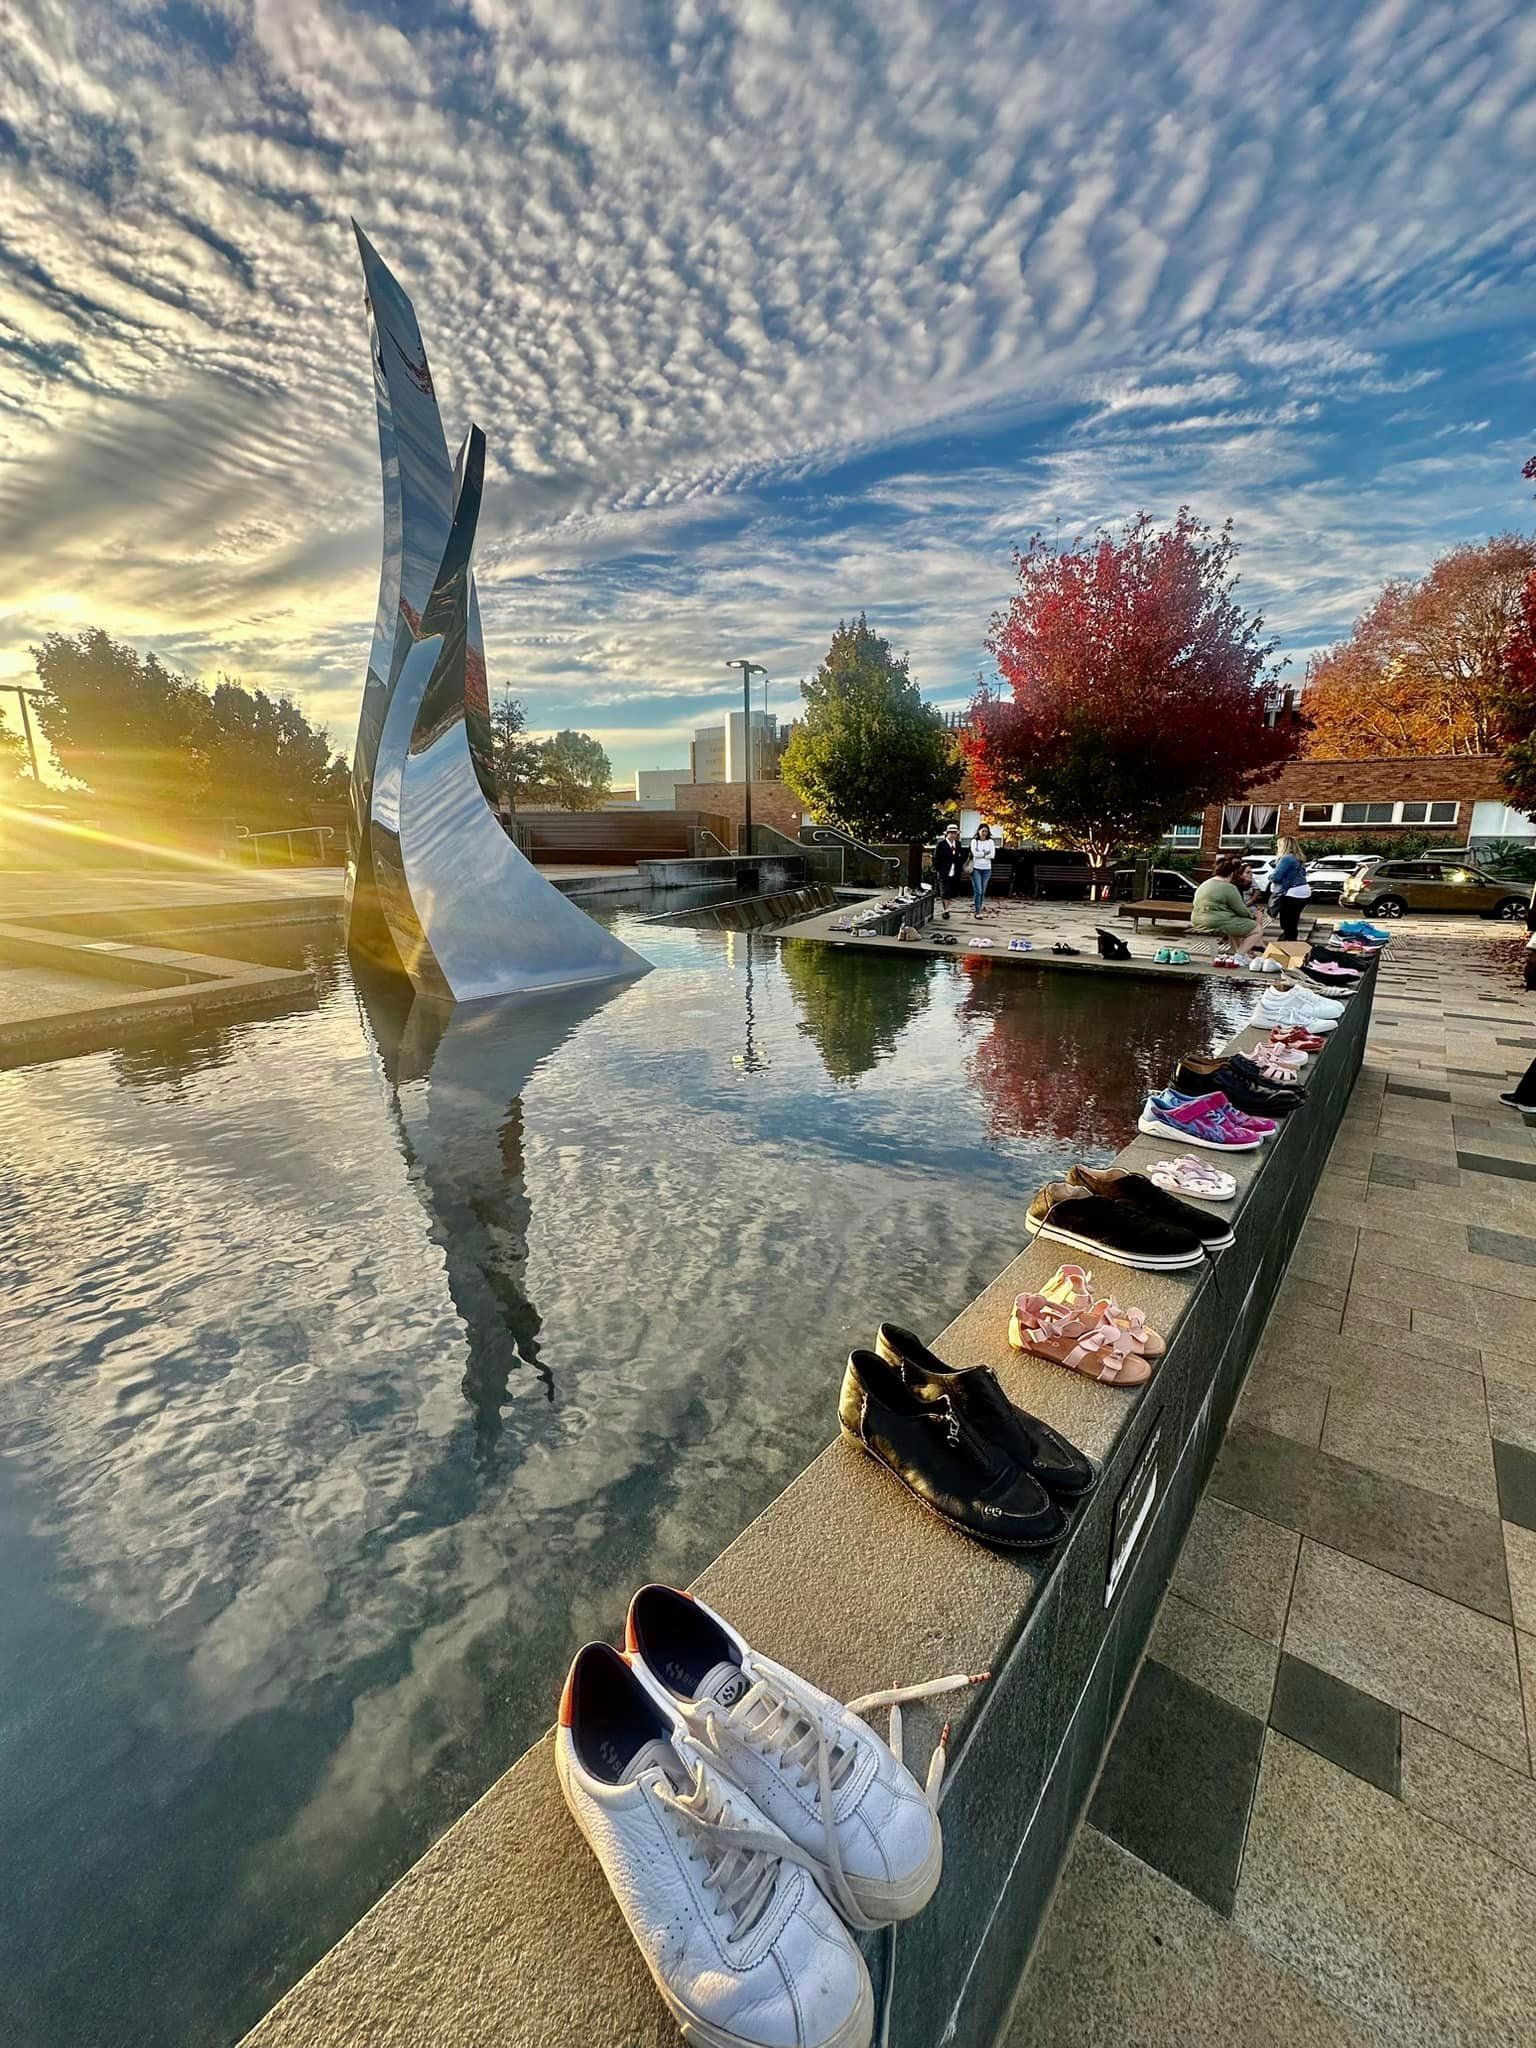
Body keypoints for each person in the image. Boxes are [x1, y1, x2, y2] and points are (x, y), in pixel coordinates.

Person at [1191, 854, 1265, 957]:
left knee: (1236, 924)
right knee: (1257, 929)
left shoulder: (1205, 883)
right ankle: (1239, 956)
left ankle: (1237, 951)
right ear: (1231, 873)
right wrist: (1252, 916)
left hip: (1197, 920)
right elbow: (1241, 910)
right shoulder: (1229, 887)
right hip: (1215, 922)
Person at [1268, 835, 1312, 943]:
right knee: (1293, 920)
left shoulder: (1286, 858)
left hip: (1293, 892)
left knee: (1286, 922)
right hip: (1304, 892)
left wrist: (1270, 877)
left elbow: (1276, 877)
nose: (1277, 848)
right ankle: (1290, 942)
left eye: (1278, 846)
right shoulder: (1299, 858)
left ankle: (1289, 945)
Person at [933, 822, 966, 921]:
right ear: (947, 833)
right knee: (944, 891)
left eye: (955, 833)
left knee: (951, 891)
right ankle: (946, 910)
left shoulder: (958, 844)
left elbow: (961, 857)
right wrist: (939, 868)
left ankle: (948, 907)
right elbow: (936, 858)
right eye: (951, 832)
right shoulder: (941, 844)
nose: (952, 834)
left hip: (955, 871)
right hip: (944, 871)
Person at [969, 824, 998, 917]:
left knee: (983, 891)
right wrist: (985, 853)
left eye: (986, 831)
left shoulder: (990, 842)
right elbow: (975, 853)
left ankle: (979, 908)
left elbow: (992, 855)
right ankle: (977, 911)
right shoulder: (974, 841)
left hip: (987, 869)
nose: (984, 833)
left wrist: (981, 853)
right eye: (982, 831)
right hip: (976, 868)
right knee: (978, 890)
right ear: (978, 831)